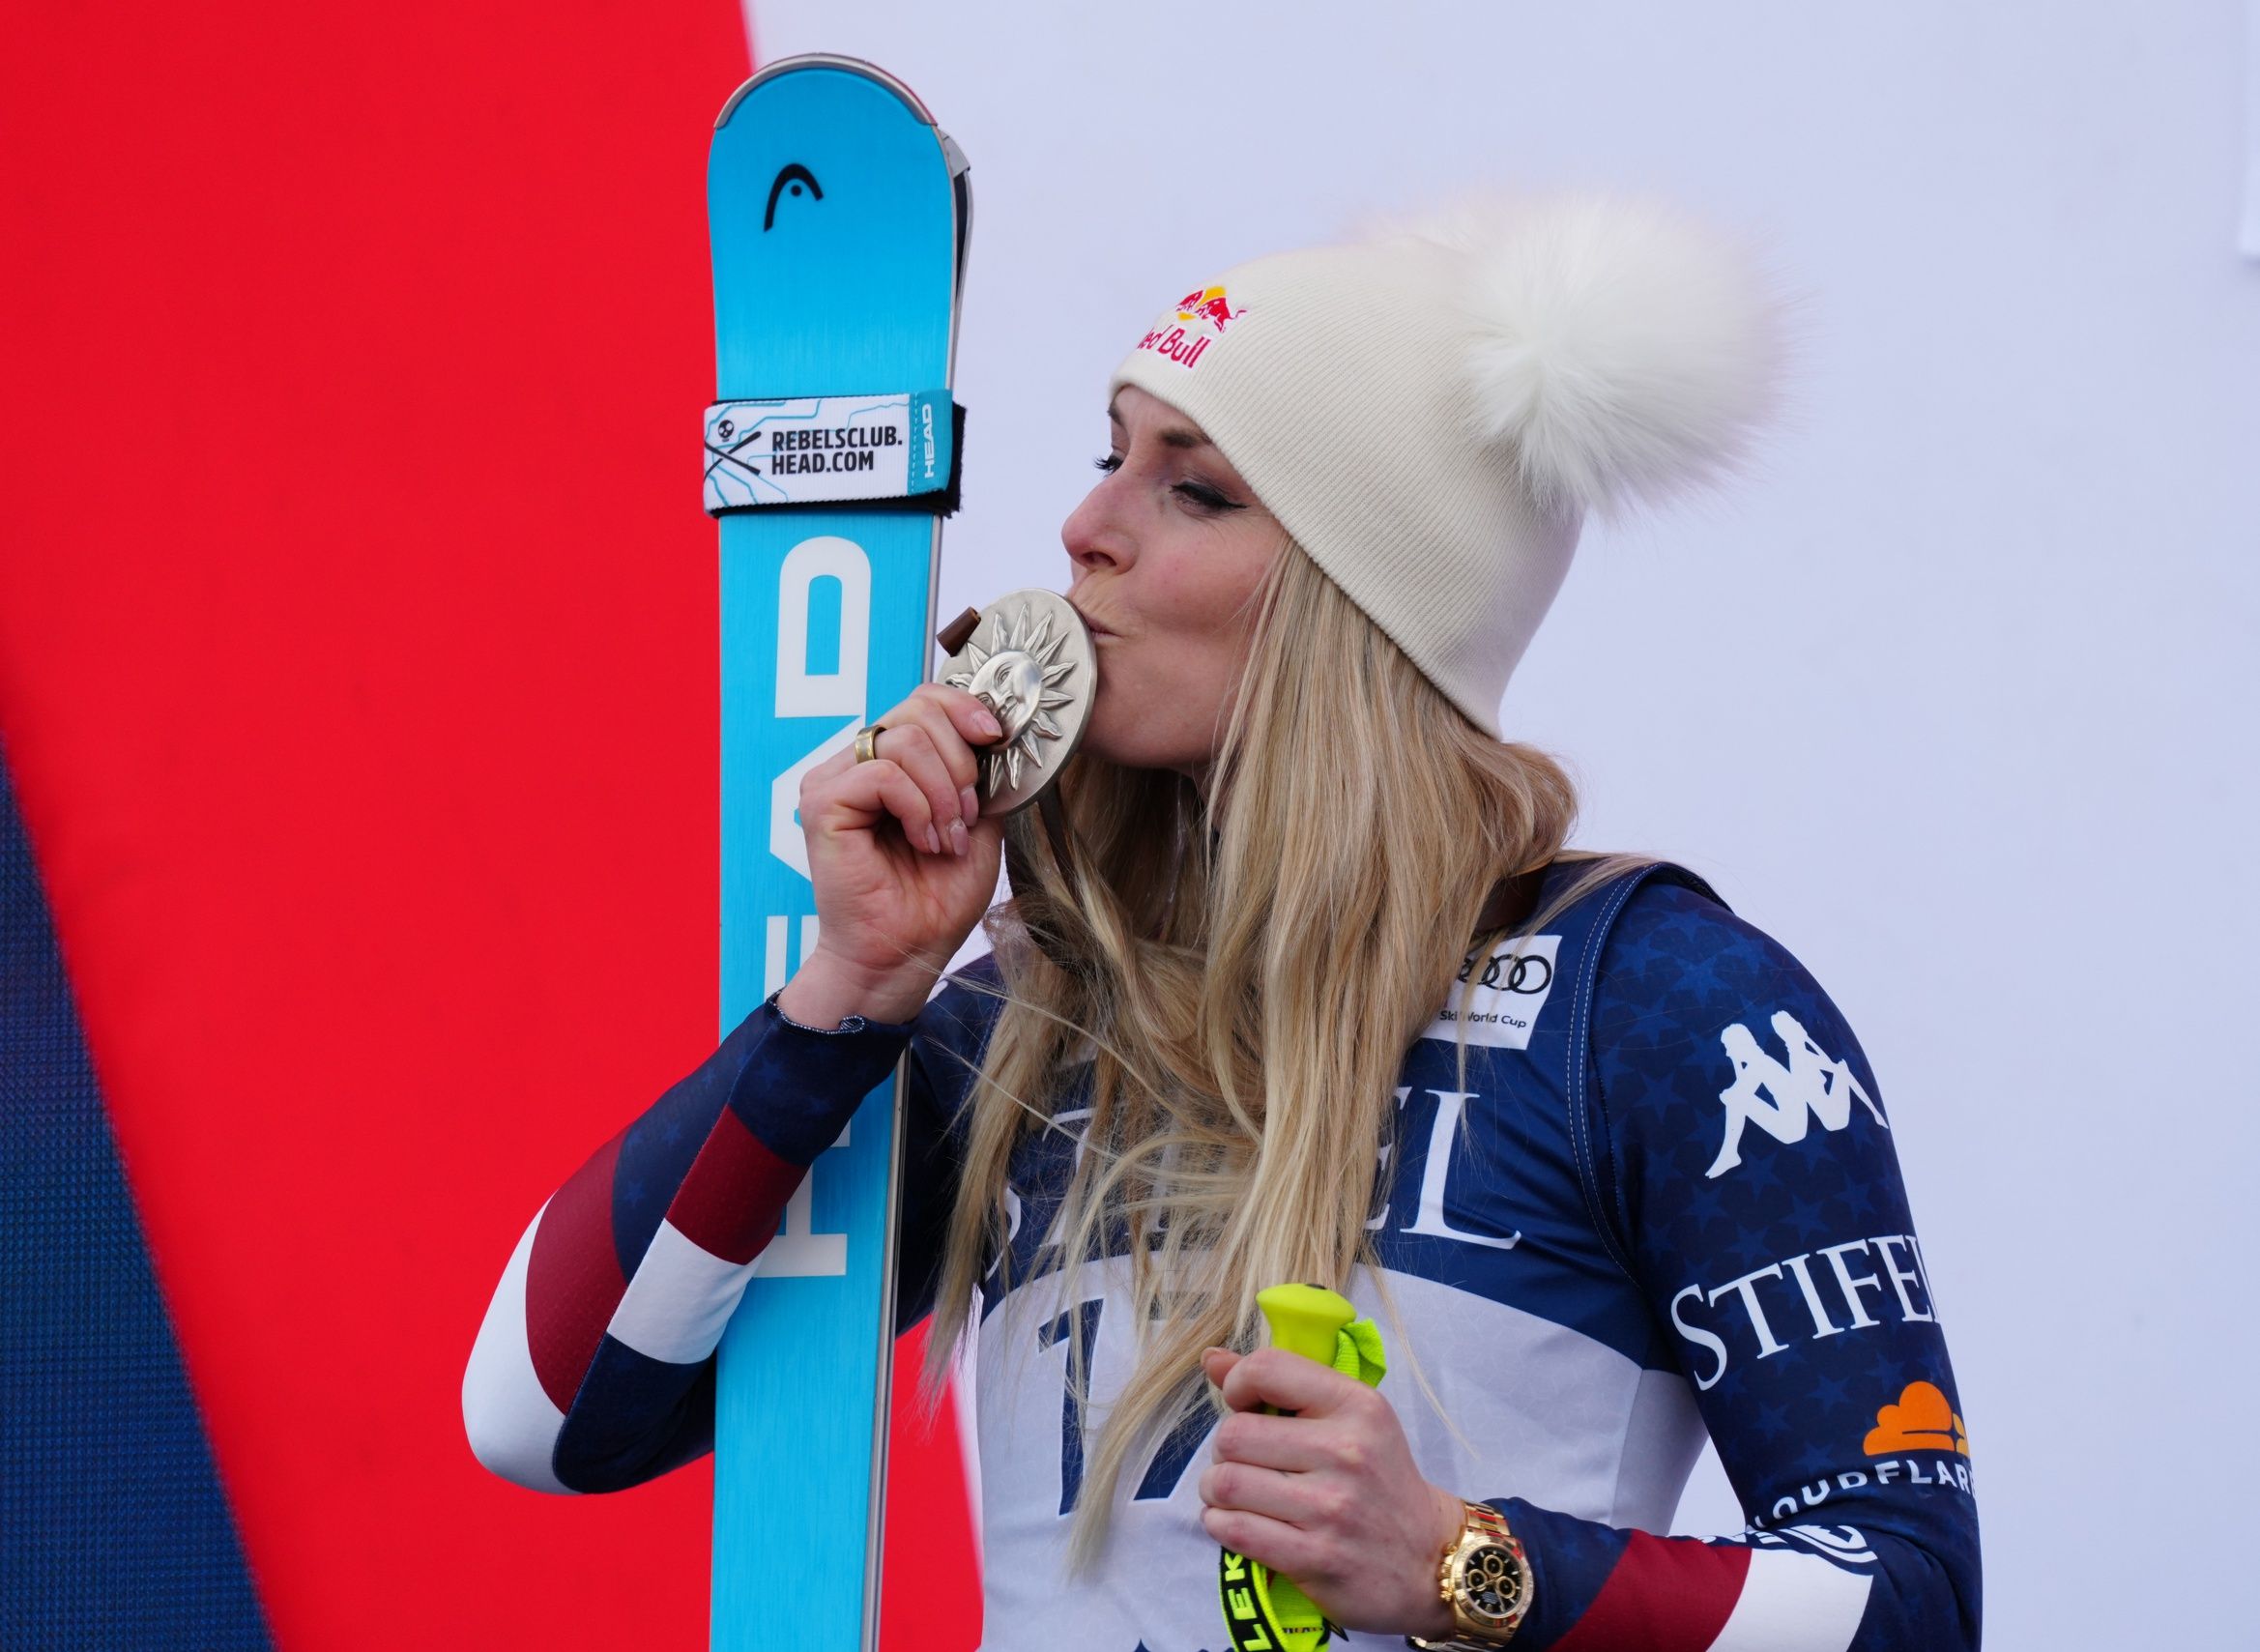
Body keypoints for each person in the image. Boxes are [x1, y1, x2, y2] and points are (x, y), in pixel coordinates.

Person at [464, 193, 1981, 1650]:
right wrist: (846, 996)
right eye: (1108, 457)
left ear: (1353, 599)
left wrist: (1463, 1558)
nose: (1081, 527)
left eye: (1190, 487)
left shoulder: (1655, 1008)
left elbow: (1911, 1599)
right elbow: (545, 1416)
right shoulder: (1020, 1010)